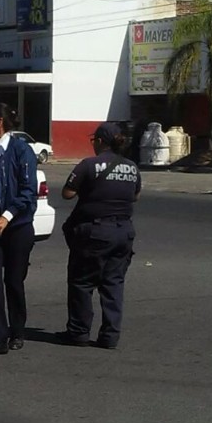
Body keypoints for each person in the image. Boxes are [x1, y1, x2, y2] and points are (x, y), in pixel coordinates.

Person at [57, 122, 141, 349]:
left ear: (101, 142)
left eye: (94, 140)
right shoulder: (132, 167)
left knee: (82, 283)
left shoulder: (88, 165)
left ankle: (78, 333)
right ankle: (110, 336)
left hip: (94, 232)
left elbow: (67, 193)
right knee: (113, 283)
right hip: (123, 232)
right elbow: (135, 196)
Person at [0, 102, 38, 358]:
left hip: (17, 222)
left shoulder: (21, 150)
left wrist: (7, 216)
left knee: (13, 280)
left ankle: (17, 330)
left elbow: (28, 191)